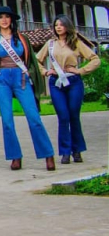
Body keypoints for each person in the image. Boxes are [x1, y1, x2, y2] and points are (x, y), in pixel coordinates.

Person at [0, 7, 54, 171]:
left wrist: (29, 73)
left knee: (34, 117)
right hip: (2, 79)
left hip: (21, 78)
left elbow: (31, 61)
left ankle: (48, 155)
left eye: (7, 17)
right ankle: (15, 156)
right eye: (0, 17)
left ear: (12, 20)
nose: (4, 20)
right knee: (7, 120)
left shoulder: (22, 39)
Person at [37, 15, 99, 165]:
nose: (58, 27)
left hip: (73, 82)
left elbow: (95, 59)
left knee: (73, 115)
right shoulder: (50, 44)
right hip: (56, 82)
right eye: (56, 25)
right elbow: (36, 60)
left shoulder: (76, 43)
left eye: (61, 25)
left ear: (67, 26)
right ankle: (65, 152)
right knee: (63, 116)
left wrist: (81, 70)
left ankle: (77, 151)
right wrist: (45, 71)